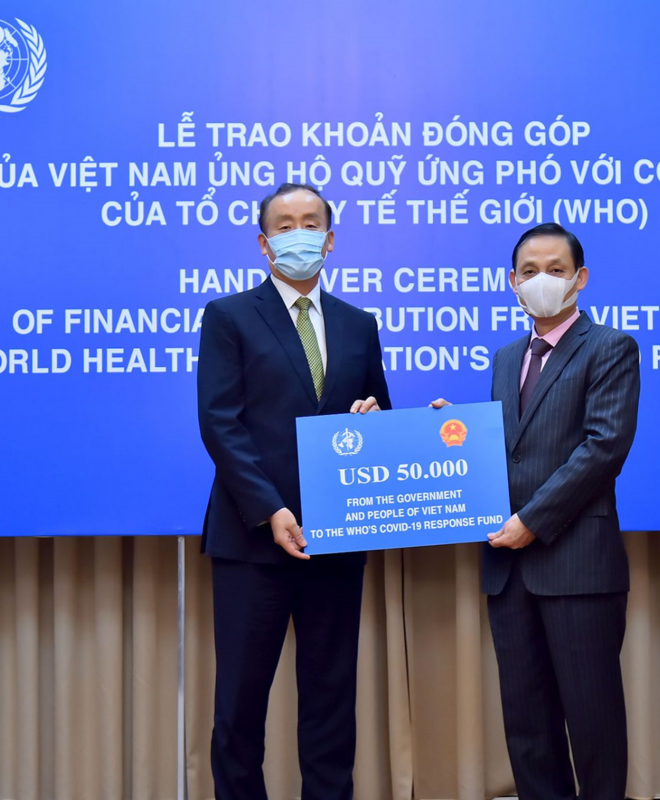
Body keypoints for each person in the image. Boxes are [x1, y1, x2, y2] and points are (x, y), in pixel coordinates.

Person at [197, 182, 391, 800]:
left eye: (311, 223)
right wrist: (271, 509)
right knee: (240, 705)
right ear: (263, 243)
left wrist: (378, 422)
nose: (298, 234)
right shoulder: (228, 316)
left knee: (331, 703)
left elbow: (381, 414)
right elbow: (220, 424)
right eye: (284, 225)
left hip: (337, 537)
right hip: (253, 538)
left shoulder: (359, 324)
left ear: (330, 240)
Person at [433, 222, 639, 800]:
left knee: (594, 724)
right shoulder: (506, 358)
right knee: (527, 729)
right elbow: (512, 447)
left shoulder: (610, 347)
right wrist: (451, 433)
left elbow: (603, 448)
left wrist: (531, 522)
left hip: (577, 565)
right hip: (510, 571)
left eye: (555, 269)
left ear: (580, 278)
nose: (541, 280)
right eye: (529, 271)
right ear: (512, 282)